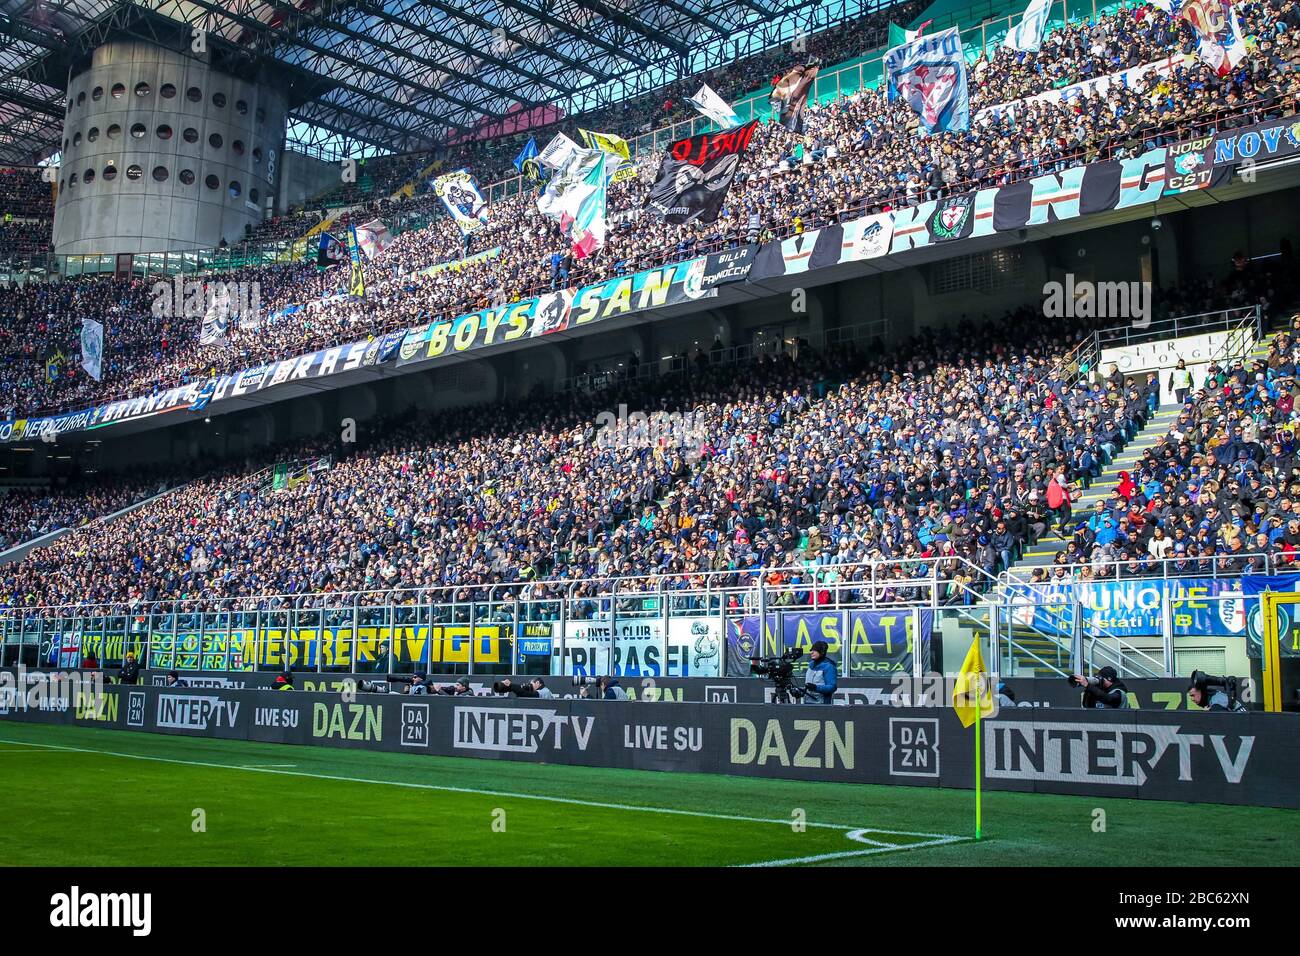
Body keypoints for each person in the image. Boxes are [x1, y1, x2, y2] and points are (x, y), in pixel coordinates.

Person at [803, 640, 838, 704]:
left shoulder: (829, 666)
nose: (811, 652)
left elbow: (832, 687)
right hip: (807, 703)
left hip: (821, 705)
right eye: (811, 650)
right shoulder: (810, 665)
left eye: (815, 650)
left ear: (822, 652)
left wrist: (816, 688)